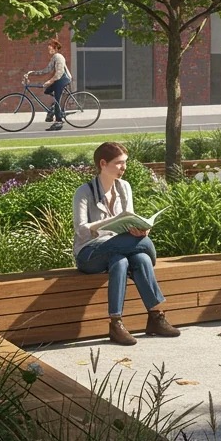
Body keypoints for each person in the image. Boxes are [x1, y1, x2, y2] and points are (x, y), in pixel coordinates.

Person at [72, 142, 181, 346]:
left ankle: (135, 320)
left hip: (119, 248)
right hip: (89, 253)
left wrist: (138, 228)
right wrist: (112, 221)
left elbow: (128, 220)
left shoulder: (125, 188)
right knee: (141, 247)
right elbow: (81, 229)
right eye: (119, 163)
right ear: (103, 164)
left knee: (130, 260)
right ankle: (145, 246)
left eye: (125, 163)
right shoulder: (84, 191)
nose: (124, 168)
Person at [23, 39, 70, 131]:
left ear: (55, 48)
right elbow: (47, 70)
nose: (49, 51)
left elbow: (60, 73)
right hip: (58, 79)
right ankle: (53, 110)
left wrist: (50, 81)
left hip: (63, 79)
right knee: (47, 91)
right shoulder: (54, 57)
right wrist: (32, 73)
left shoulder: (59, 57)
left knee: (57, 100)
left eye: (50, 49)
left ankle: (58, 122)